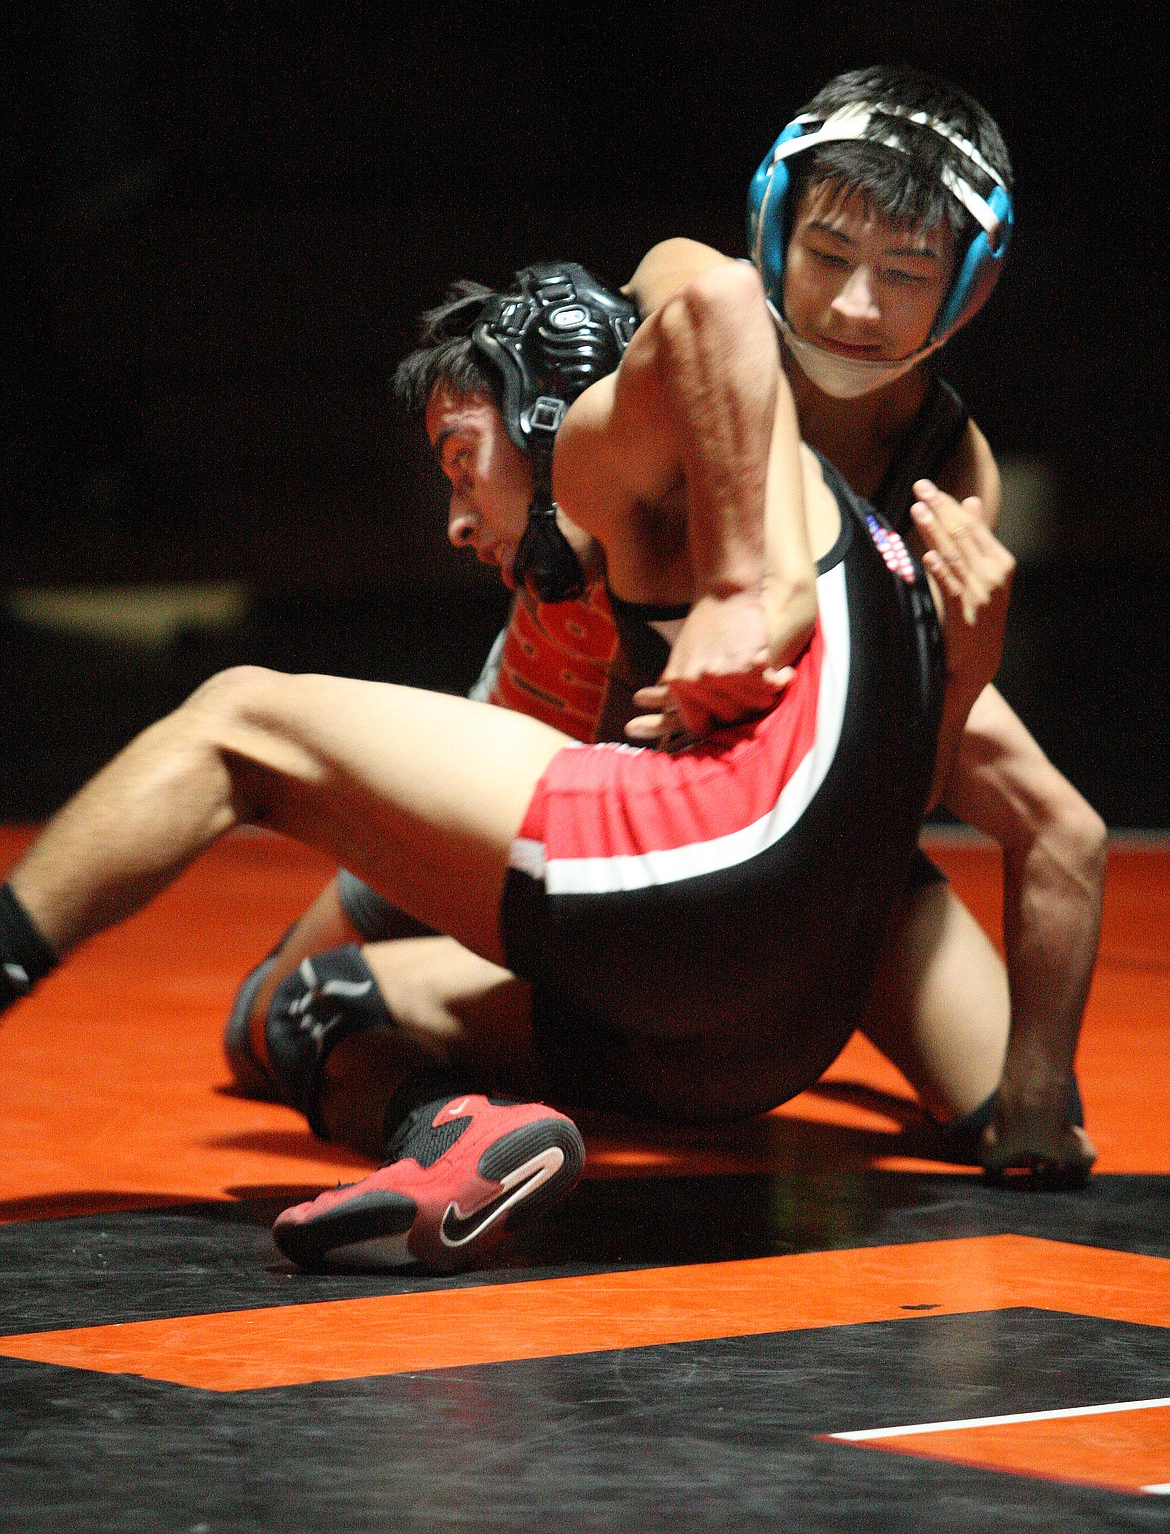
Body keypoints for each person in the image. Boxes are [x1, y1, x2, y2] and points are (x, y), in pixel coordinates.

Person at [0, 255, 1012, 1272]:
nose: (455, 520)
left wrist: (755, 580)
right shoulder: (893, 558)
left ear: (543, 414)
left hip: (698, 895)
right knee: (300, 999)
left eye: (459, 458)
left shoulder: (609, 455)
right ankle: (453, 1134)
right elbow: (1055, 835)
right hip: (783, 1025)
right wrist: (1037, 1111)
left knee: (235, 721)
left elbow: (713, 292)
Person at [225, 68, 1102, 1185]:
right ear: (775, 231)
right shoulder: (701, 316)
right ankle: (455, 1087)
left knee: (1005, 1104)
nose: (853, 307)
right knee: (267, 1022)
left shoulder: (946, 476)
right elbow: (679, 285)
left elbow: (905, 797)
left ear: (969, 290)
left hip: (757, 824)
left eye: (908, 273)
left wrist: (963, 674)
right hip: (549, 752)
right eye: (828, 257)